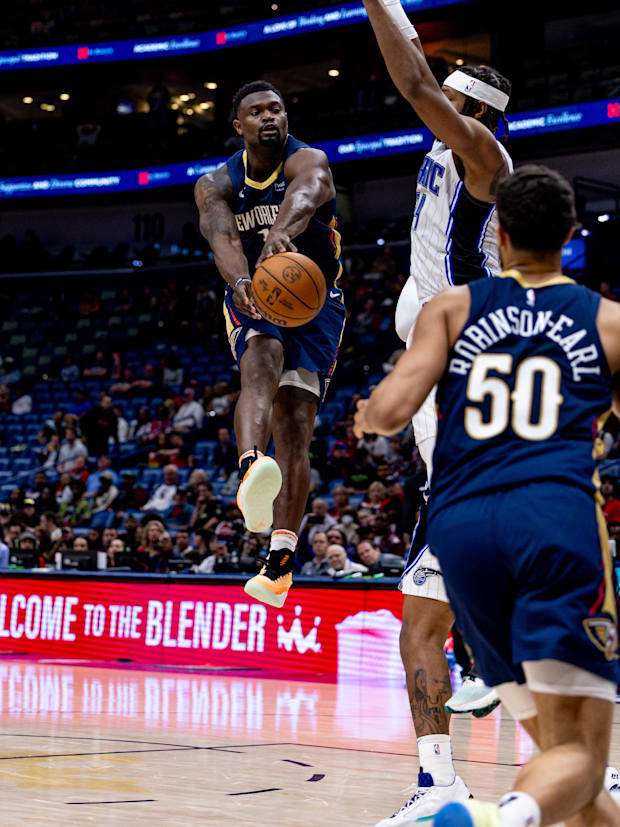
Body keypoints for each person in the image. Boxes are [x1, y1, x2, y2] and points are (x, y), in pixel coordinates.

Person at [354, 165, 620, 827]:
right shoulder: (608, 321)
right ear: (570, 234)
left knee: (560, 754)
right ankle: (500, 817)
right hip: (553, 517)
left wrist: (367, 410)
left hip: (462, 530)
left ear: (498, 236)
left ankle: (498, 805)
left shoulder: (452, 307)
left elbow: (387, 413)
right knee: (585, 754)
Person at [361, 0, 514, 818]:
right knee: (419, 615)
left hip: (471, 376)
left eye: (451, 104)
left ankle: (592, 761)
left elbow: (415, 77)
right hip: (437, 385)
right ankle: (437, 787)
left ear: (474, 114)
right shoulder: (442, 155)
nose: (434, 112)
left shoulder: (485, 157)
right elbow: (422, 79)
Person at [195, 79, 345, 608]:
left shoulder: (308, 159)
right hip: (252, 289)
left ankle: (280, 560)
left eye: (277, 108)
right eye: (257, 111)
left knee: (297, 424)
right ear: (239, 126)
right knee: (262, 355)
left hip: (317, 299)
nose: (269, 117)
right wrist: (242, 284)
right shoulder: (216, 182)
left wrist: (282, 232)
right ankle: (251, 466)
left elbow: (309, 192)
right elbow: (222, 237)